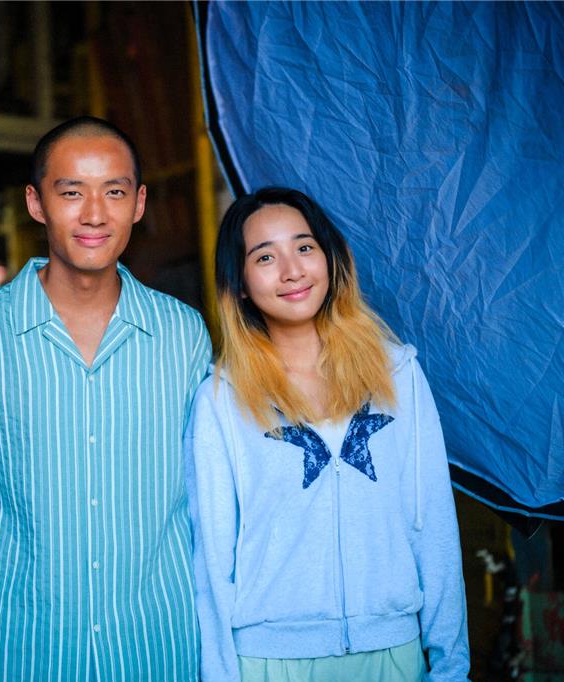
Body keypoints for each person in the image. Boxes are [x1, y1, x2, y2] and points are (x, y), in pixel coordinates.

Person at [0, 117, 212, 680]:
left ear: (139, 204)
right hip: (20, 654)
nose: (94, 214)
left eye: (114, 192)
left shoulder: (184, 334)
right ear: (36, 203)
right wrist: (0, 610)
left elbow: (208, 491)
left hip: (155, 646)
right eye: (72, 192)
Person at [185, 187, 469, 681]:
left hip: (391, 652)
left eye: (304, 247)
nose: (292, 270)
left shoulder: (398, 375)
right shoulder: (220, 401)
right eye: (265, 257)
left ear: (331, 259)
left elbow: (434, 526)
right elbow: (211, 560)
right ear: (241, 284)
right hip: (271, 662)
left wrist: (451, 667)